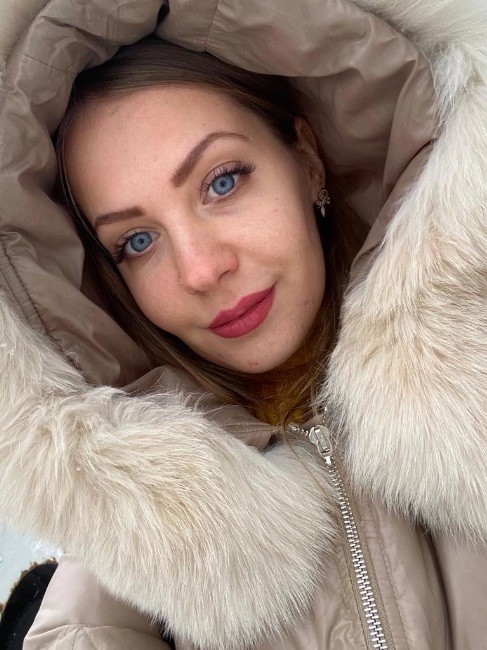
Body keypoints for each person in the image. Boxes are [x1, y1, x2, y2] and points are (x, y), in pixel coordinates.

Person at [0, 1, 485, 649]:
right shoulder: (119, 600)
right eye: (138, 241)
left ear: (306, 161)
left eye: (222, 182)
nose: (201, 270)